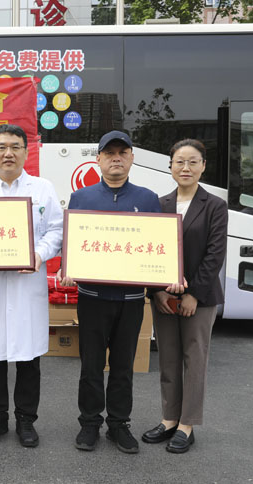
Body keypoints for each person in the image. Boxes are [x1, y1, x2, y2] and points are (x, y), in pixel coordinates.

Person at [59, 130, 161, 454]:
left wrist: (168, 277)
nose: (116, 158)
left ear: (132, 158)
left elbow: (159, 247)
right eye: (109, 153)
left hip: (131, 301)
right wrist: (66, 267)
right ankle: (89, 423)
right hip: (92, 298)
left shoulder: (148, 199)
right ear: (99, 159)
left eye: (122, 153)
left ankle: (118, 424)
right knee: (90, 364)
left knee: (123, 365)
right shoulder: (82, 198)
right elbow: (71, 243)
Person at [0, 124, 63, 447]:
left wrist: (39, 254)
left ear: (26, 151)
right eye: (2, 147)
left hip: (27, 285)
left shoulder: (43, 189)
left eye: (15, 147)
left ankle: (26, 419)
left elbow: (56, 231)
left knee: (28, 358)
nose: (8, 153)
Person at [142, 139, 227, 453]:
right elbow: (148, 250)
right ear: (170, 166)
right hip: (163, 298)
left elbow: (215, 255)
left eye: (193, 162)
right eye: (180, 161)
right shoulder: (159, 204)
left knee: (194, 360)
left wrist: (193, 295)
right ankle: (168, 419)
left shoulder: (215, 206)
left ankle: (187, 425)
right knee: (168, 358)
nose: (186, 168)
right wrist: (157, 291)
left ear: (203, 166)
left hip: (199, 299)